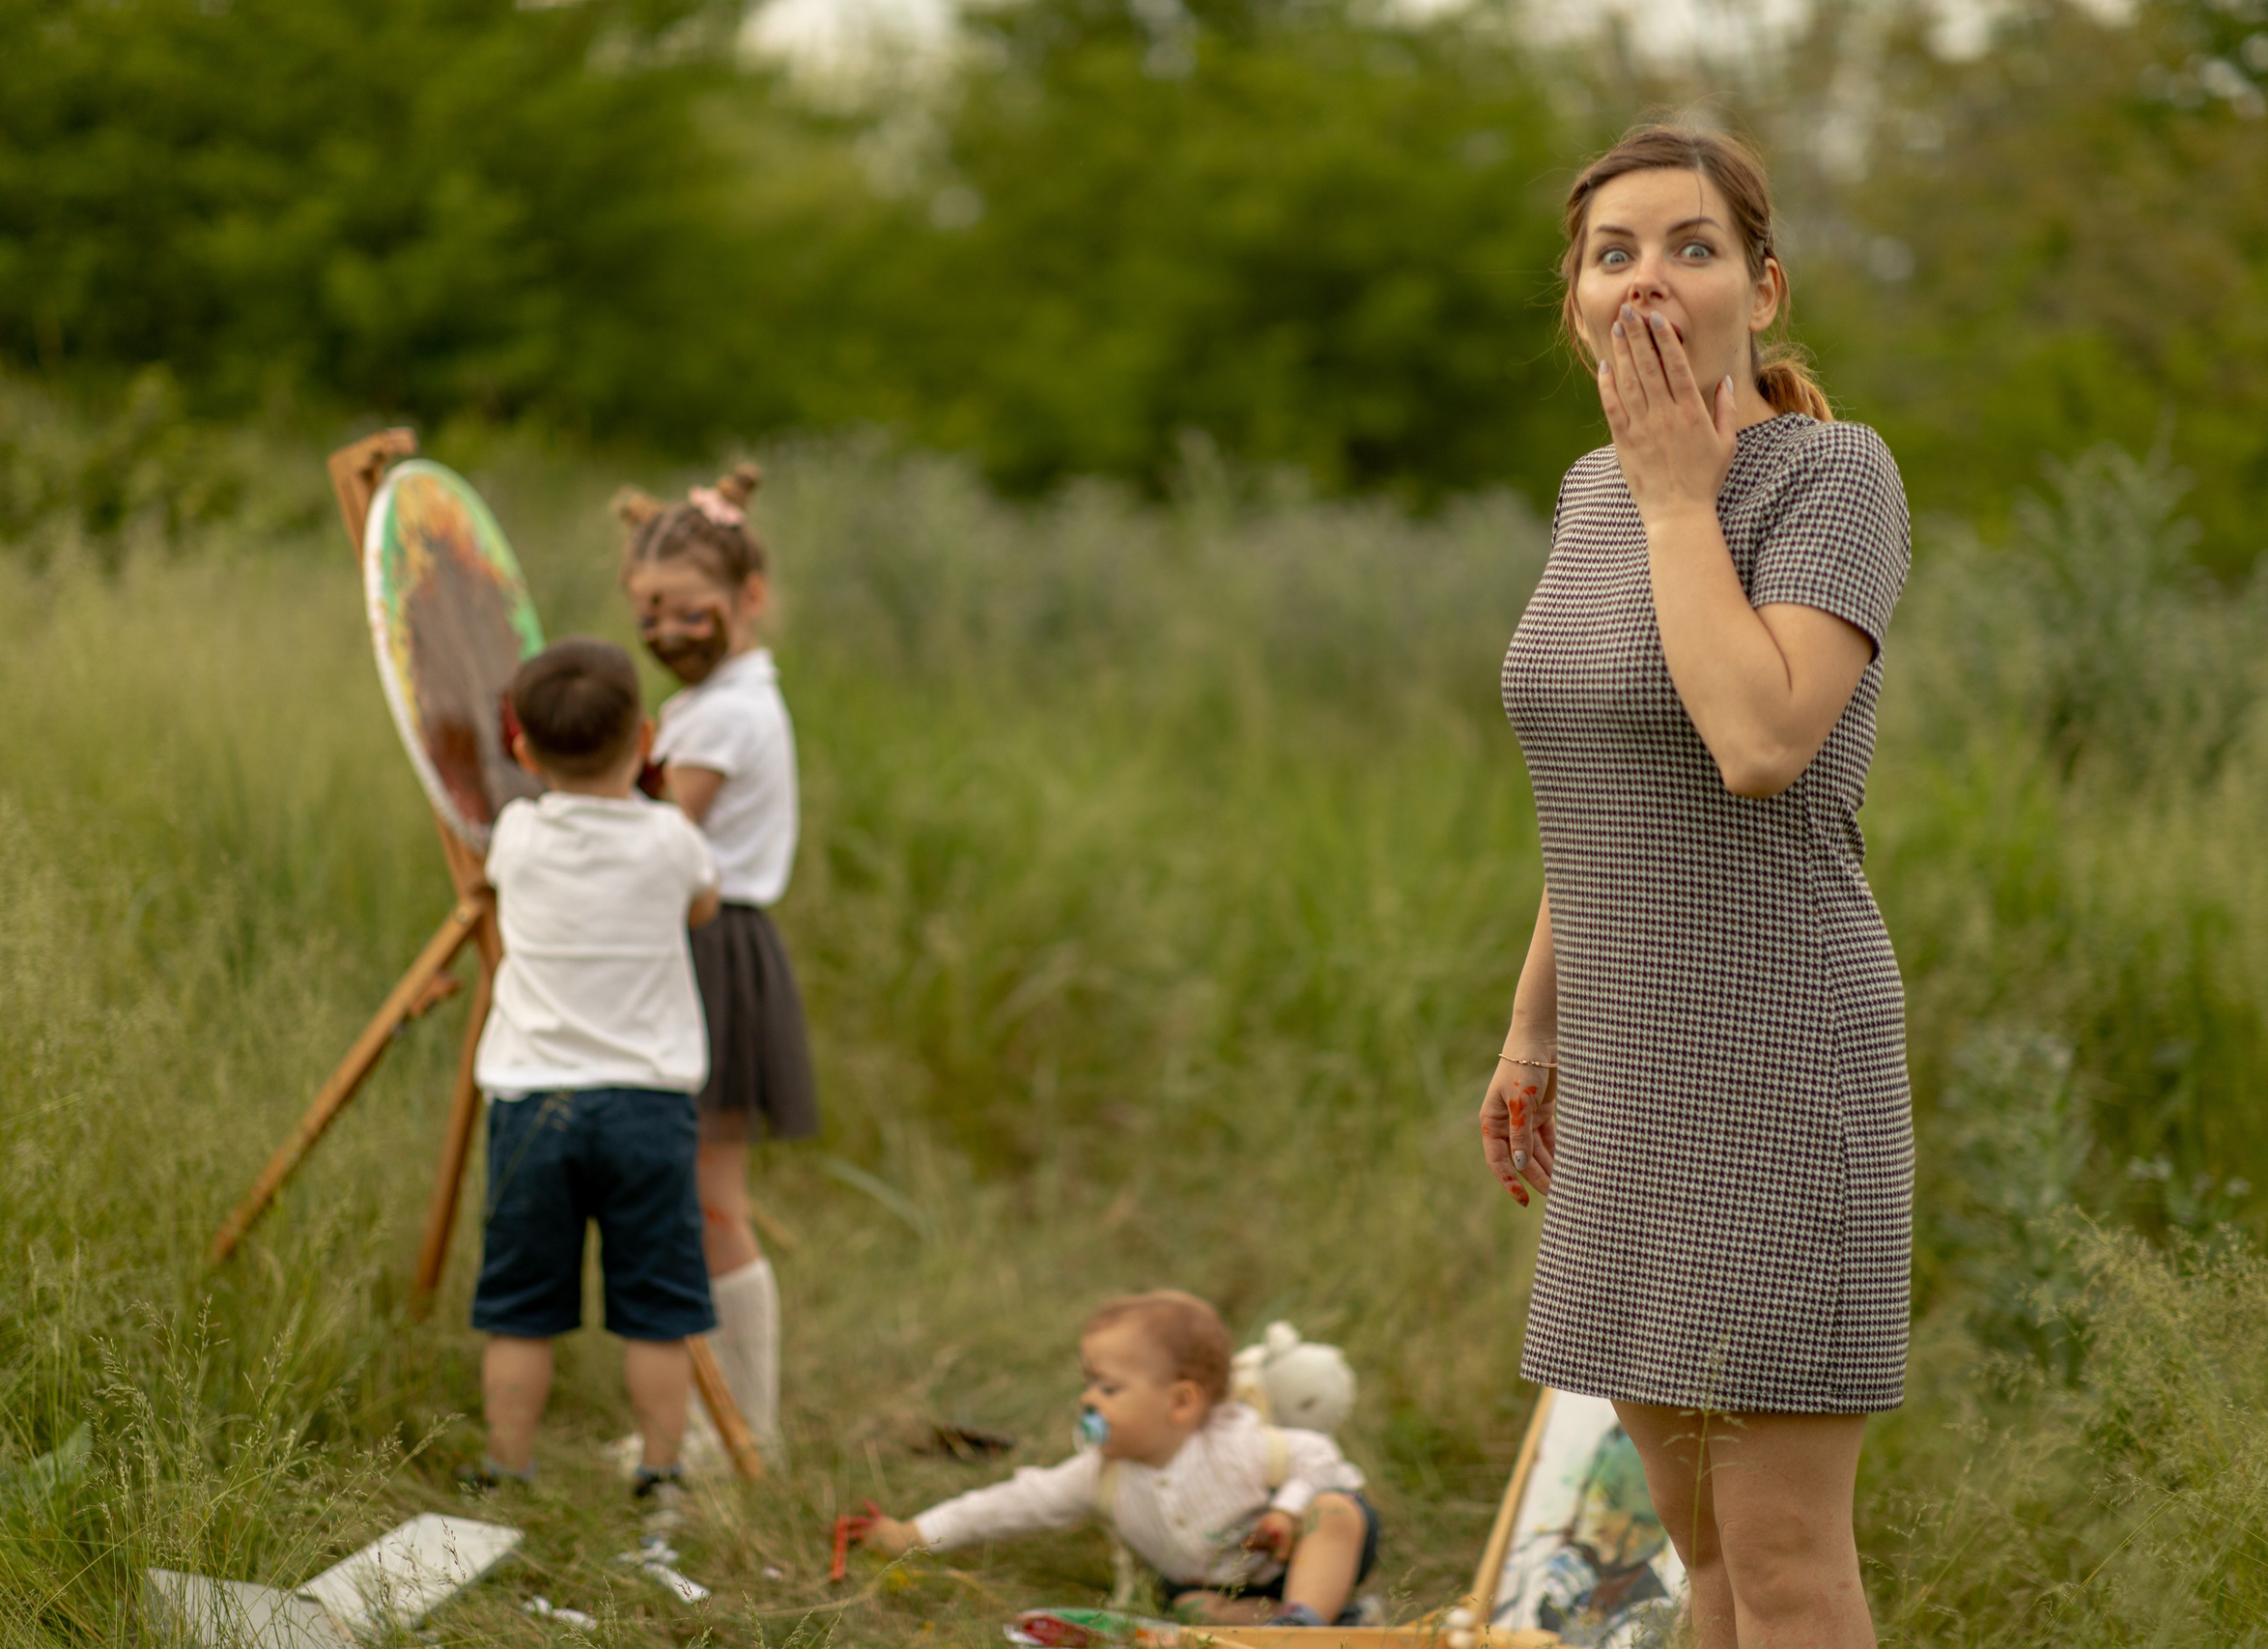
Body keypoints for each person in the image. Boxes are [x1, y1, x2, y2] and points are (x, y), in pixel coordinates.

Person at [1482, 124, 1913, 1649]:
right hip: (1631, 1066)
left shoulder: (1832, 478)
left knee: (1787, 1560)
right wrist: (1537, 1027)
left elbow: (1754, 743)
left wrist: (1681, 501)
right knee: (1702, 1557)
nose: (1649, 278)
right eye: (1616, 252)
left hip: (1786, 1057)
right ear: (1579, 303)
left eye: (1691, 245)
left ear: (1764, 287)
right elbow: (1599, 795)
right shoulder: (1590, 495)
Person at [465, 637, 723, 1506]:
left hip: (533, 1103)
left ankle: (507, 1468)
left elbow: (500, 877)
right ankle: (661, 1475)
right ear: (647, 738)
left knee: (520, 1306)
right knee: (656, 1308)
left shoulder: (518, 834)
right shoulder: (671, 838)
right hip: (648, 1108)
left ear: (525, 751)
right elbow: (704, 904)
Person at [615, 463, 817, 1454]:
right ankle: (721, 1422)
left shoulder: (726, 713)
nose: (664, 632)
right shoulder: (723, 698)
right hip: (711, 946)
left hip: (714, 953)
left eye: (688, 610)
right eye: (647, 612)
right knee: (702, 1198)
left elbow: (659, 840)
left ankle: (736, 1429)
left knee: (709, 1201)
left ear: (747, 598)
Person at [860, 1292, 1378, 1627]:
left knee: (1336, 1510)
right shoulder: (1098, 1475)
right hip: (1220, 1583)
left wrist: (1287, 1510)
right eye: (1088, 1384)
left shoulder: (1235, 1444)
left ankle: (1305, 1619)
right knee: (1191, 1608)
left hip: (1301, 1558)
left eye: (1109, 1388)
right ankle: (1321, 1626)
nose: (1089, 1400)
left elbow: (1320, 1457)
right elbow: (1013, 1503)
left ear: (1180, 1402)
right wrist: (914, 1534)